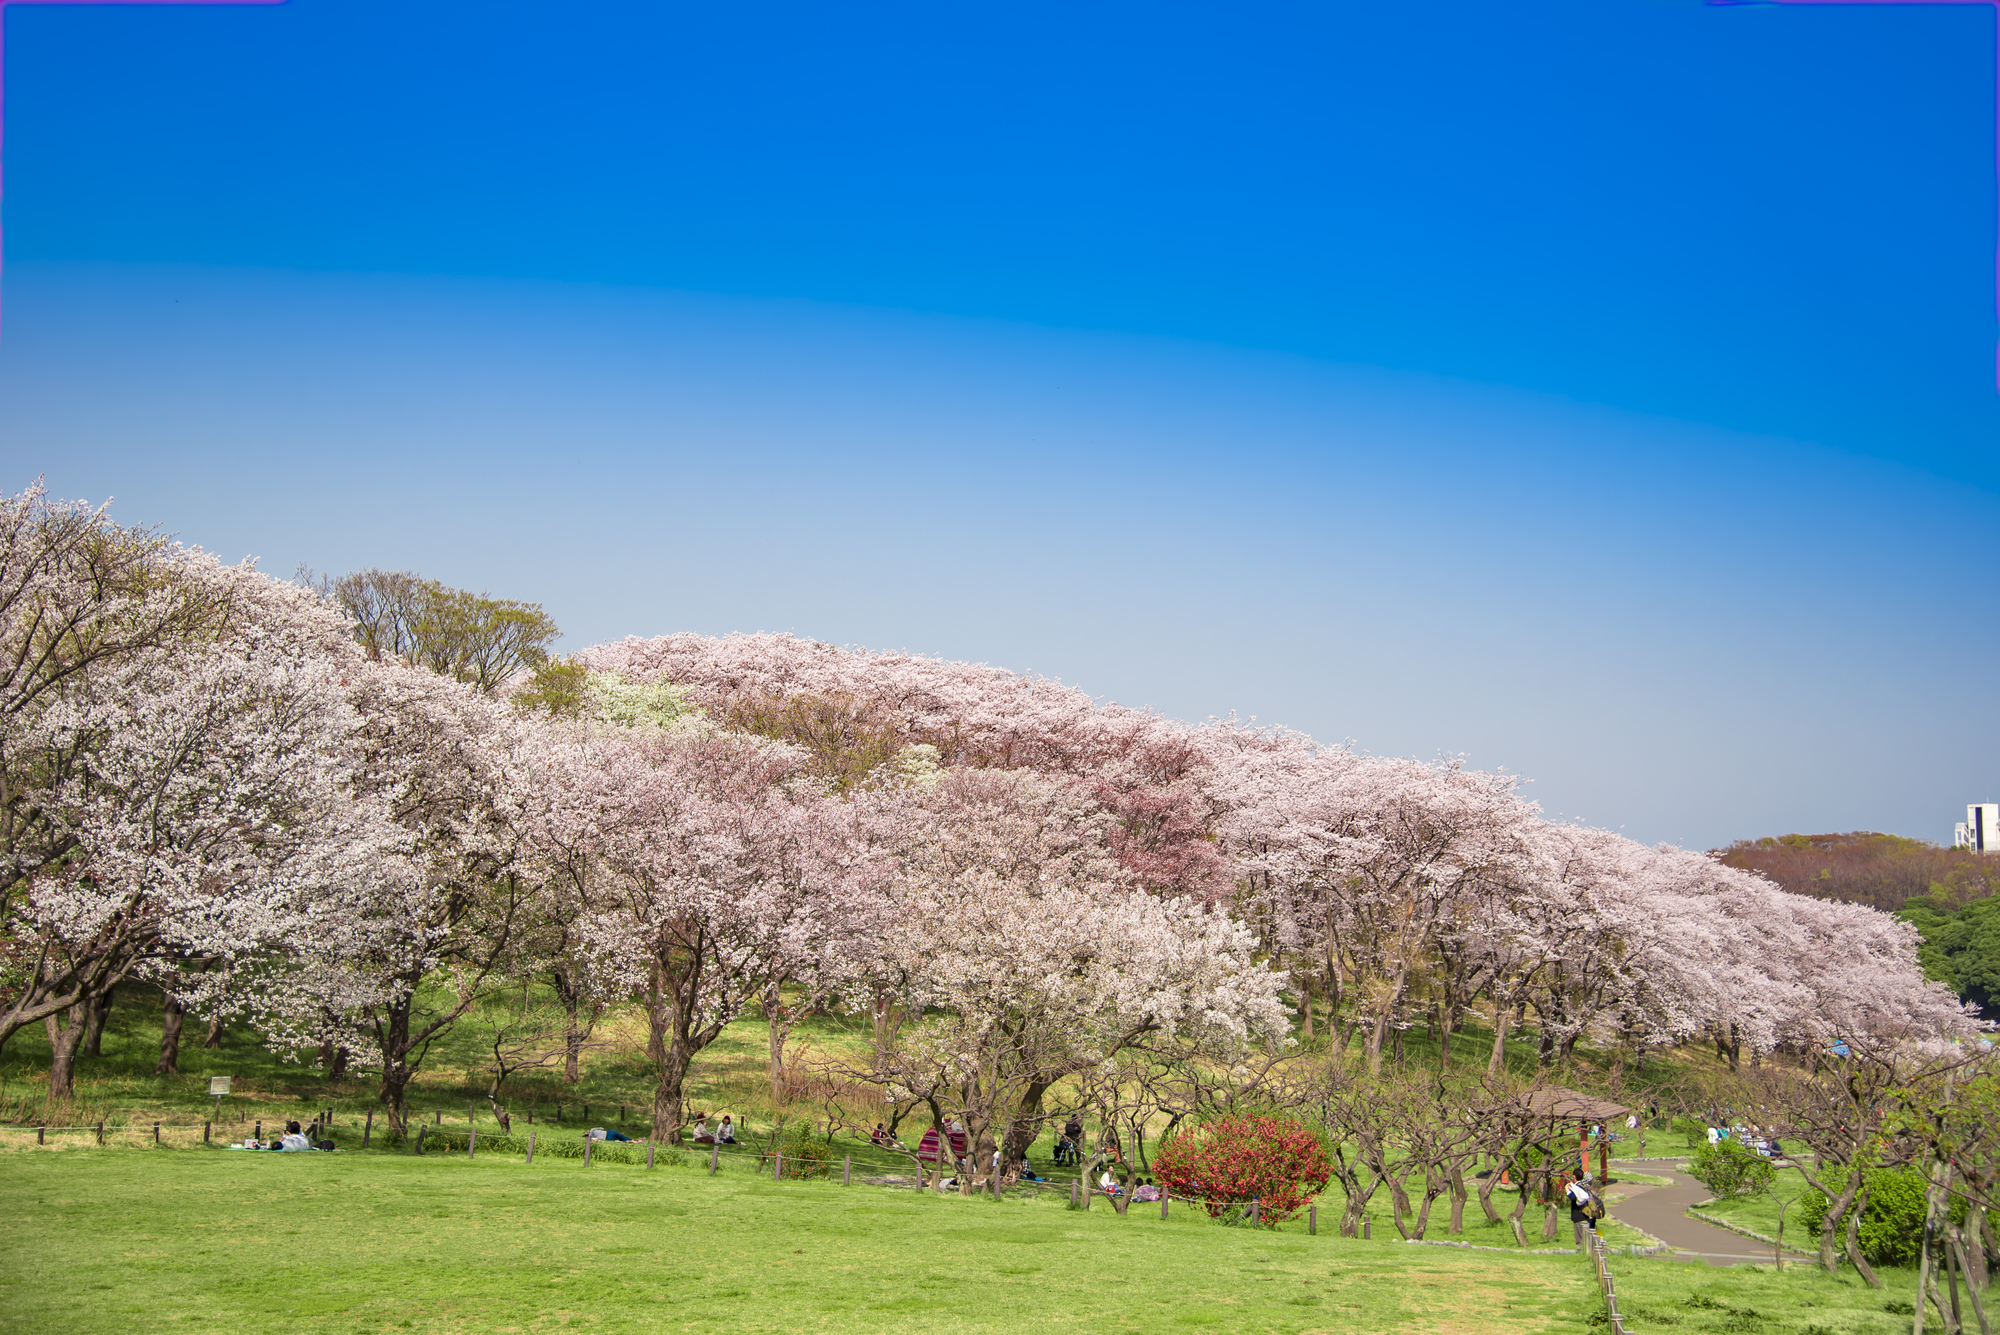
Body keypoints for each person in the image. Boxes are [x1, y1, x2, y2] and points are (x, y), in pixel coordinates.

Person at [1565, 1173, 1602, 1247]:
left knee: (1583, 1238)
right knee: (1592, 1232)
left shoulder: (1580, 1189)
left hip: (1583, 1215)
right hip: (1592, 1215)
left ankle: (1585, 1250)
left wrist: (1567, 1188)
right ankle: (1597, 1245)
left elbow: (1575, 1198)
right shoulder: (1591, 1190)